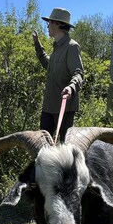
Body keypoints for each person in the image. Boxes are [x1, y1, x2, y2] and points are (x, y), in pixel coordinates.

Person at [33, 7, 84, 142]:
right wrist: (37, 44)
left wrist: (71, 88)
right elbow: (47, 64)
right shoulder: (56, 48)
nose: (47, 26)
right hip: (48, 108)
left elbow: (78, 73)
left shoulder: (72, 47)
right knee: (43, 146)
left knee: (64, 147)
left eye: (49, 23)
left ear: (58, 24)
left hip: (64, 109)